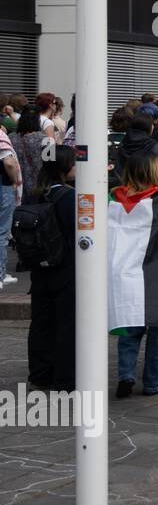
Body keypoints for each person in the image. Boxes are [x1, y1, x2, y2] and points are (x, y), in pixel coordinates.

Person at [109, 131, 158, 397]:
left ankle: (126, 376)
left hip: (124, 273)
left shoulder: (112, 199)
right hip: (155, 273)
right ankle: (155, 381)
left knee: (129, 328)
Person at [25, 146, 76, 390]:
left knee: (41, 322)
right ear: (64, 168)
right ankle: (65, 377)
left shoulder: (35, 194)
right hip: (65, 268)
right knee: (66, 322)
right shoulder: (69, 197)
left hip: (38, 267)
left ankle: (40, 373)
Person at [14, 106, 46, 205]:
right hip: (39, 185)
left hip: (17, 184)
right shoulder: (45, 139)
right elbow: (52, 164)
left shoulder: (11, 138)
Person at [0, 124, 18, 288]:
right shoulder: (1, 137)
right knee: (1, 232)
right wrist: (14, 180)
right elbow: (9, 163)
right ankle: (0, 274)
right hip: (2, 186)